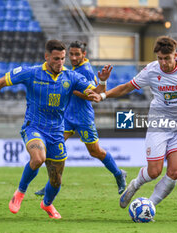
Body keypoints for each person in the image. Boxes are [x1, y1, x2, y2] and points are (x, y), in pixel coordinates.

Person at [0, 40, 112, 219]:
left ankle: (47, 204)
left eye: (62, 59)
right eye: (56, 58)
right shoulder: (31, 73)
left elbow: (97, 92)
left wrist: (102, 82)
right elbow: (0, 82)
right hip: (34, 127)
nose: (60, 62)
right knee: (38, 158)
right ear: (46, 57)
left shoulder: (71, 77)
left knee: (56, 180)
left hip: (56, 132)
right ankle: (20, 193)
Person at [88, 36, 177, 209]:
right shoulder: (151, 71)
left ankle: (148, 206)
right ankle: (135, 185)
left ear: (176, 55)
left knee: (174, 172)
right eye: (160, 58)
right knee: (154, 172)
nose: (163, 63)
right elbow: (127, 87)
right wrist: (103, 95)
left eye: (167, 58)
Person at [34, 41, 126, 197]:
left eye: (77, 54)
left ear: (84, 54)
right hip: (68, 116)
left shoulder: (86, 70)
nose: (74, 57)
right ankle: (52, 184)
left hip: (83, 117)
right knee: (52, 148)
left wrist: (70, 88)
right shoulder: (74, 69)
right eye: (71, 54)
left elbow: (91, 95)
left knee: (95, 152)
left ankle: (118, 174)